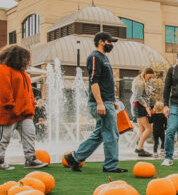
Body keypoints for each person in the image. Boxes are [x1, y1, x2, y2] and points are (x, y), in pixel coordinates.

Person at [64, 32, 125, 173]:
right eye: (110, 42)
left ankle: (75, 157)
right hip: (101, 102)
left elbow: (106, 82)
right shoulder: (95, 57)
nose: (112, 44)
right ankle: (110, 166)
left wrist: (112, 100)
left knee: (100, 134)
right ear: (101, 41)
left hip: (107, 101)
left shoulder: (104, 58)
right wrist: (100, 103)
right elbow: (94, 81)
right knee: (111, 134)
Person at [0, 44, 45, 170]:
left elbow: (29, 92)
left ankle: (30, 159)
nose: (27, 61)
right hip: (8, 112)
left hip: (24, 112)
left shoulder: (22, 73)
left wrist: (32, 104)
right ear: (16, 58)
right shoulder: (2, 70)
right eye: (25, 58)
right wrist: (10, 107)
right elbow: (4, 92)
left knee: (29, 135)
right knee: (3, 137)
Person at [130, 67, 156, 157]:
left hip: (139, 107)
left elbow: (141, 95)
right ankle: (140, 148)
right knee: (149, 129)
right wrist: (146, 107)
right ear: (145, 74)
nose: (150, 78)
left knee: (142, 128)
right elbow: (138, 96)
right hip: (140, 107)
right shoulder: (139, 82)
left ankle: (139, 146)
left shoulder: (142, 82)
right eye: (150, 76)